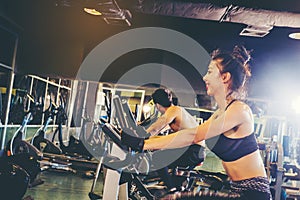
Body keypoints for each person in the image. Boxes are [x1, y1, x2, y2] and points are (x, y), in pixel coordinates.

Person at [122, 45, 272, 199]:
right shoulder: (219, 114)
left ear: (225, 77)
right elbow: (187, 135)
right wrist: (145, 141)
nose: (204, 77)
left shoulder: (240, 110)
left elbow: (194, 135)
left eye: (210, 72)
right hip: (237, 191)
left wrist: (143, 144)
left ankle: (172, 189)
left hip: (254, 193)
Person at [144, 88, 206, 190]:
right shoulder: (178, 111)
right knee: (166, 160)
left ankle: (171, 188)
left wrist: (141, 137)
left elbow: (156, 128)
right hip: (197, 151)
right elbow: (160, 131)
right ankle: (175, 188)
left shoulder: (173, 110)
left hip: (193, 150)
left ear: (157, 105)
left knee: (157, 157)